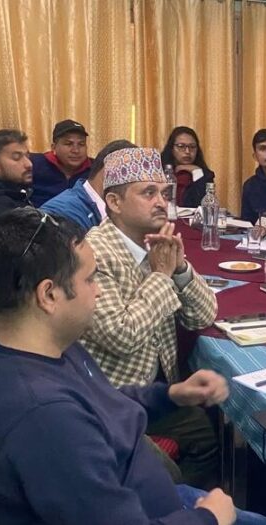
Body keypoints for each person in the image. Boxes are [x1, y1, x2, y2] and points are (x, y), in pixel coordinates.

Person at [0, 207, 266, 525]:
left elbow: (99, 404)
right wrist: (209, 517)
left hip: (147, 496)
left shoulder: (16, 347)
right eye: (90, 279)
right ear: (48, 295)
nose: (99, 290)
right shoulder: (44, 417)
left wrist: (169, 395)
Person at [81, 147, 221, 490]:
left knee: (206, 434)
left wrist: (181, 269)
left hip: (154, 393)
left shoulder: (153, 242)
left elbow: (204, 315)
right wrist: (161, 276)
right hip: (110, 401)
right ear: (114, 202)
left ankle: (181, 502)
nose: (161, 202)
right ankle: (164, 503)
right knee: (178, 459)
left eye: (164, 193)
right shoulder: (95, 252)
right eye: (148, 193)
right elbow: (122, 334)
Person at [42, 139, 136, 230]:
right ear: (108, 171)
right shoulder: (62, 213)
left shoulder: (116, 210)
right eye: (132, 176)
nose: (136, 184)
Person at [30, 119, 94, 207]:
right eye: (68, 144)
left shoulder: (96, 169)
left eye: (81, 144)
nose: (76, 150)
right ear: (54, 147)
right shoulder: (35, 164)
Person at [160, 126, 217, 207]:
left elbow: (201, 206)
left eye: (192, 147)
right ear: (171, 148)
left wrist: (196, 172)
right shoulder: (159, 172)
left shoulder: (205, 175)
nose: (187, 151)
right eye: (181, 146)